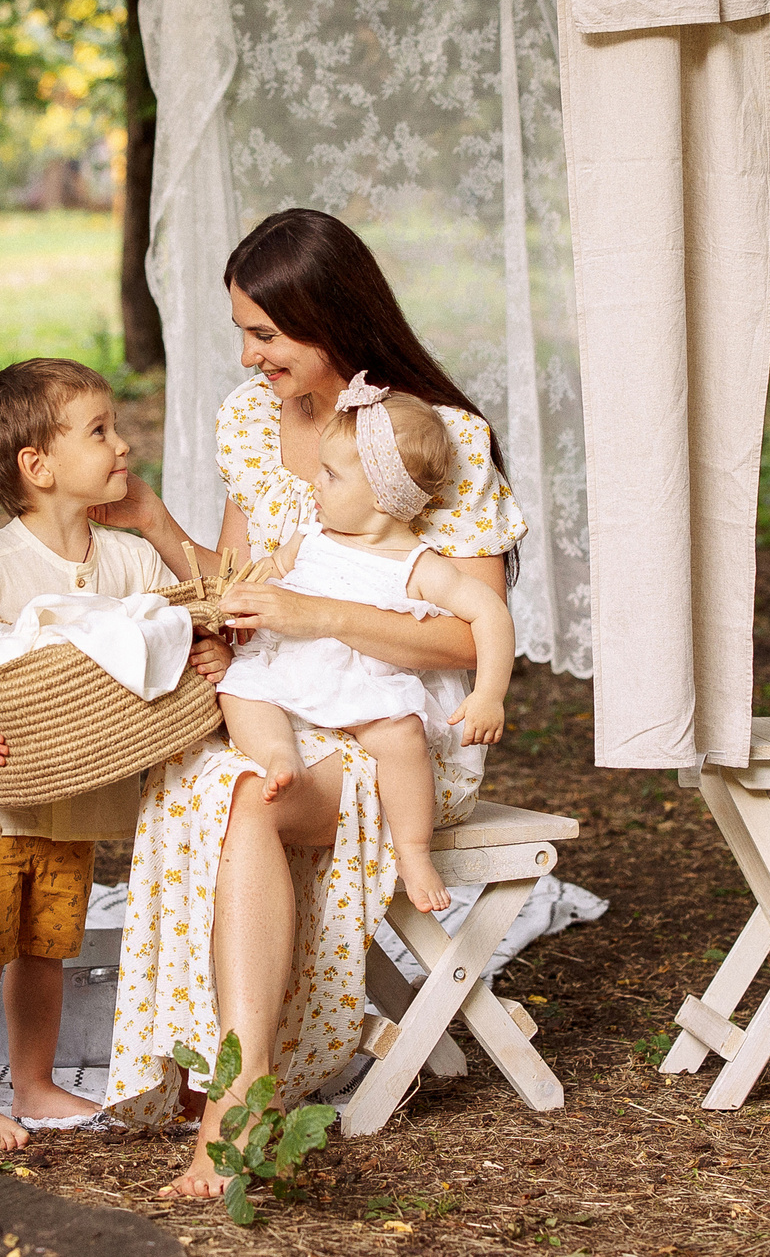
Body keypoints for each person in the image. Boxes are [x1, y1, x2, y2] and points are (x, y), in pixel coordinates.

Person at [90, 208, 526, 1197]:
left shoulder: (437, 438)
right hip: (291, 704)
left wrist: (313, 613)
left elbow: (468, 635)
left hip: (400, 726)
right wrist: (164, 536)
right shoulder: (250, 423)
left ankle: (233, 1105)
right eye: (242, 331)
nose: (248, 357)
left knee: (242, 795)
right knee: (201, 781)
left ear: (333, 321)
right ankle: (249, 1071)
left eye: (267, 335)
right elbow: (241, 586)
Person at [0, 358, 231, 1151]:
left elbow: (190, 611)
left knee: (45, 949)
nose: (122, 445)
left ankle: (32, 1081)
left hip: (79, 801)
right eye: (100, 430)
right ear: (39, 464)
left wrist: (198, 641)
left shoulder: (126, 559)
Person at [215, 377, 511, 914]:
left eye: (329, 475)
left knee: (402, 736)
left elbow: (489, 613)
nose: (315, 485)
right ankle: (280, 753)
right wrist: (250, 596)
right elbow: (265, 573)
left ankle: (414, 850)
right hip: (290, 668)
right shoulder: (309, 537)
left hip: (362, 684)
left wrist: (489, 693)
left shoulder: (417, 566)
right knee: (240, 689)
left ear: (381, 495)